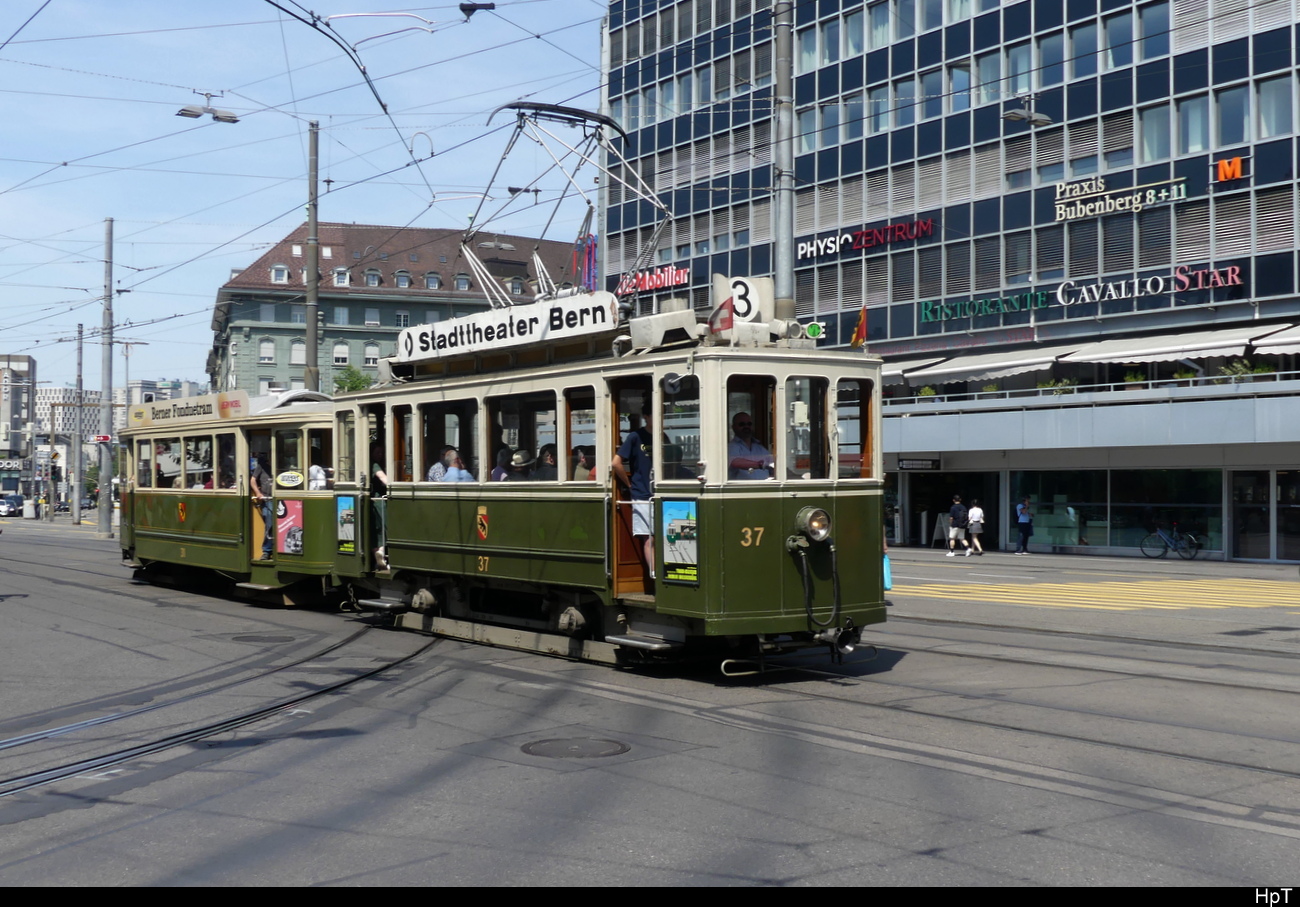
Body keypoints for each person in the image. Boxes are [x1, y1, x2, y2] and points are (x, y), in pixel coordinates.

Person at [611, 405, 654, 581]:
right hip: (643, 494)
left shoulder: (662, 436)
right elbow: (616, 463)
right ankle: (654, 576)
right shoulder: (636, 437)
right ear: (646, 416)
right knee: (649, 538)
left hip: (660, 493)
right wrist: (629, 485)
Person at [728, 411, 773, 480]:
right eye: (742, 424)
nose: (746, 427)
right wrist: (760, 465)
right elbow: (734, 462)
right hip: (742, 489)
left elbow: (773, 463)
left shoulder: (759, 447)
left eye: (749, 424)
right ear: (733, 427)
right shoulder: (732, 447)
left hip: (764, 487)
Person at [250, 452, 274, 560]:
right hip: (267, 499)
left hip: (280, 499)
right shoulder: (261, 467)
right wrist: (258, 493)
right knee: (269, 525)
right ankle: (267, 551)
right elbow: (253, 480)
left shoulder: (281, 466)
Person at [370, 443, 389, 569]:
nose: (380, 455)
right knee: (385, 526)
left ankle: (378, 557)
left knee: (375, 530)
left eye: (382, 453)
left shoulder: (369, 464)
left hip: (372, 501)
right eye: (378, 452)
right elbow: (383, 478)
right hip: (378, 501)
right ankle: (381, 552)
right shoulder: (374, 465)